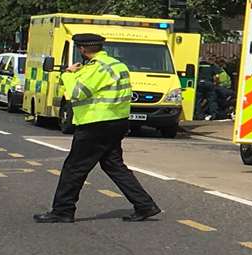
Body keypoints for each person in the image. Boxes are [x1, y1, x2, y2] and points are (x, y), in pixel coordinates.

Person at [34, 34, 160, 223]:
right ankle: (144, 205)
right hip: (117, 121)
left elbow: (77, 94)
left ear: (82, 49)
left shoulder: (96, 68)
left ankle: (63, 210)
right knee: (113, 165)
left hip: (96, 123)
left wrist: (67, 74)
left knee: (74, 168)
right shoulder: (118, 65)